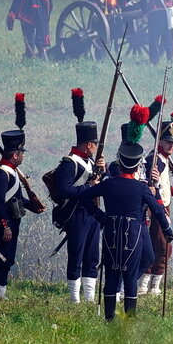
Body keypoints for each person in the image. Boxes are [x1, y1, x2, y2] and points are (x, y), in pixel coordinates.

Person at [84, 141, 173, 321]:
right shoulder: (141, 188)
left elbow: (85, 197)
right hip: (133, 236)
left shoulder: (108, 184)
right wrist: (167, 229)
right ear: (137, 165)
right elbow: (157, 209)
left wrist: (101, 217)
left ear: (120, 160)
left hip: (111, 232)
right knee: (131, 277)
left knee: (111, 274)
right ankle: (129, 319)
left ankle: (109, 318)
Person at [52, 89, 105, 304]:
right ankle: (75, 299)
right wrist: (89, 187)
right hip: (76, 215)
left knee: (92, 257)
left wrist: (102, 170)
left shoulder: (91, 162)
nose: (95, 147)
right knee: (76, 257)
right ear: (89, 144)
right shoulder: (69, 163)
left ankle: (89, 298)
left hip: (91, 215)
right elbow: (64, 190)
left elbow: (101, 184)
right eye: (94, 144)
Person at [141, 114, 173, 295]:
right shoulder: (156, 160)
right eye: (168, 141)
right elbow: (152, 187)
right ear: (159, 140)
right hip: (157, 209)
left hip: (163, 206)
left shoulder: (164, 159)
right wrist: (162, 210)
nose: (171, 145)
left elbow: (163, 185)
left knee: (160, 245)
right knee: (163, 246)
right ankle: (150, 285)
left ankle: (151, 284)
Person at [0, 128, 32, 300]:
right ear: (15, 155)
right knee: (0, 258)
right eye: (21, 153)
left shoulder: (11, 172)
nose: (23, 156)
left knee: (8, 259)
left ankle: (1, 295)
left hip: (12, 222)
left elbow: (15, 198)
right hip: (2, 223)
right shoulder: (1, 174)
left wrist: (34, 205)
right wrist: (5, 226)